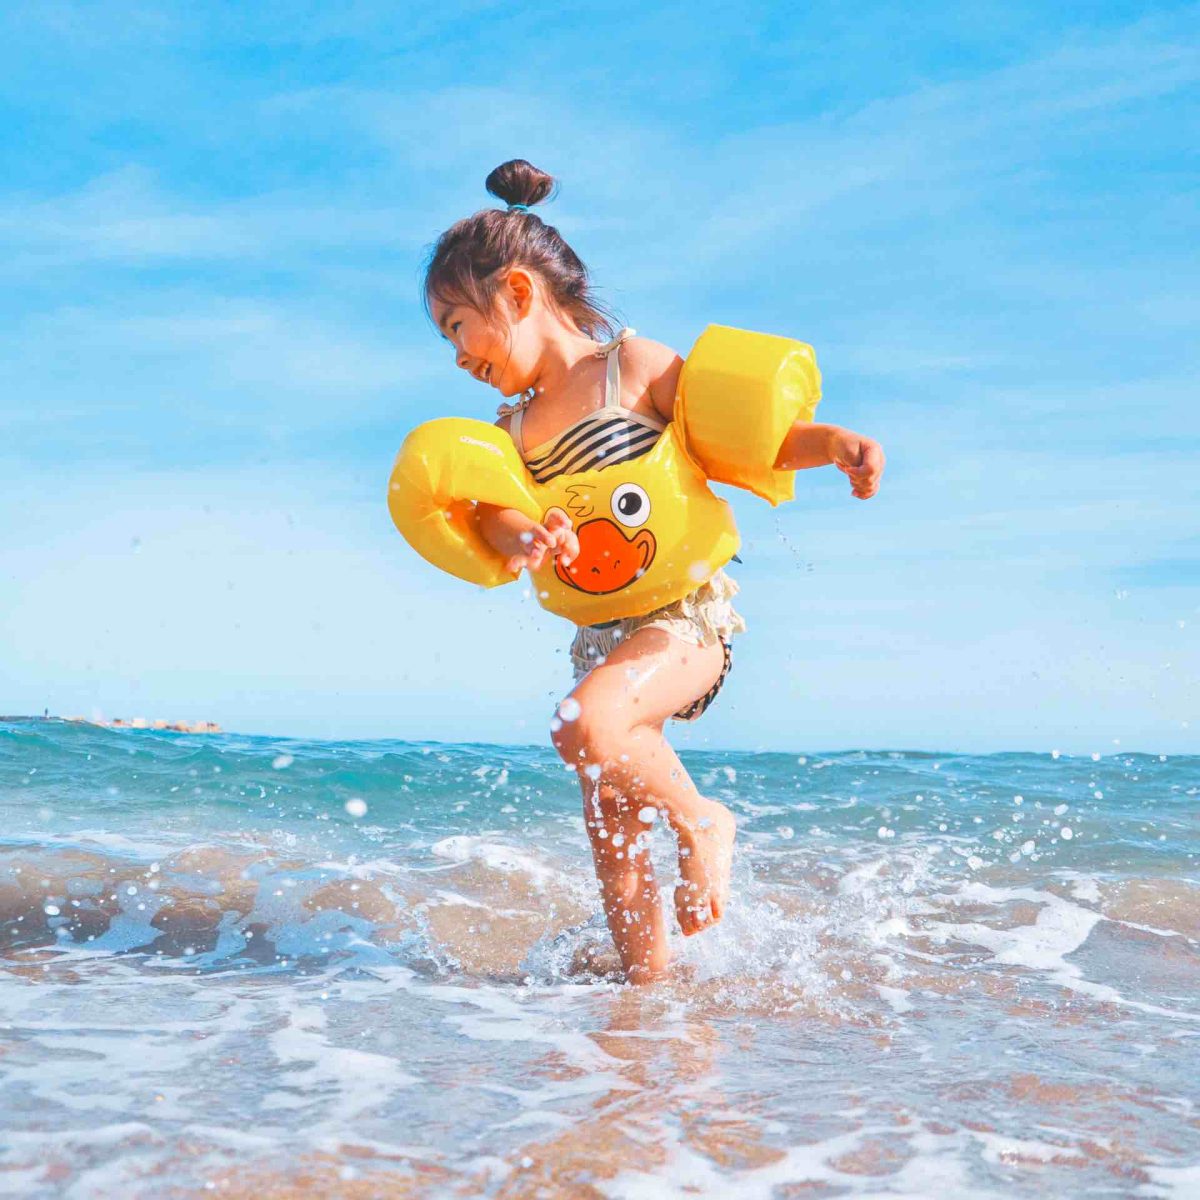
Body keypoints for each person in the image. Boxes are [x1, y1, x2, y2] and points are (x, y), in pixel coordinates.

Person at [421, 159, 885, 983]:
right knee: (612, 828)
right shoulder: (512, 428)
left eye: (458, 325)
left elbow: (748, 441)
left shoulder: (630, 369)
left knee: (582, 727)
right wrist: (528, 535)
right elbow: (494, 514)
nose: (457, 354)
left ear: (519, 296)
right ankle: (645, 1005)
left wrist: (833, 444)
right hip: (599, 638)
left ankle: (705, 824)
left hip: (686, 619)